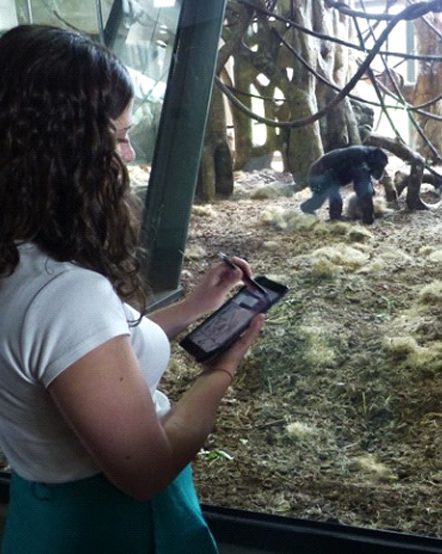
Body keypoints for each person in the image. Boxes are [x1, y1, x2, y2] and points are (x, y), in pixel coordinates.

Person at [0, 25, 264, 553]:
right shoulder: (64, 293)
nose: (128, 151)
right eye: (118, 135)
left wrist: (194, 307)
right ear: (65, 148)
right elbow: (146, 470)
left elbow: (82, 354)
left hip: (40, 517)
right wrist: (223, 368)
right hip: (111, 526)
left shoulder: (17, 256)